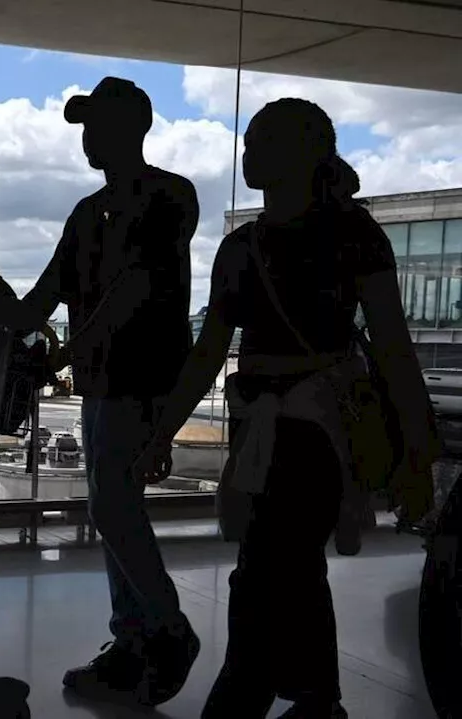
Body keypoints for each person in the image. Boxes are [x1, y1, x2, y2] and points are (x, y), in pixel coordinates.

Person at [132, 97, 441, 718]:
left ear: (296, 155)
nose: (247, 154)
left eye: (260, 143)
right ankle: (314, 697)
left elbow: (208, 353)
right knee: (289, 565)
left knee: (266, 567)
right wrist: (416, 449)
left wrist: (160, 432)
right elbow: (393, 351)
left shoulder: (244, 248)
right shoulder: (354, 236)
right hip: (322, 427)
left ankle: (250, 697)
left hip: (275, 430)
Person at [0, 76, 201, 707]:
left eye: (96, 126)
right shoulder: (87, 212)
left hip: (141, 379)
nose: (86, 138)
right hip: (102, 383)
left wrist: (64, 345)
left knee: (113, 508)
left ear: (130, 129)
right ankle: (133, 637)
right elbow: (45, 295)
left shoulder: (167, 197)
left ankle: (164, 628)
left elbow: (135, 289)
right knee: (112, 508)